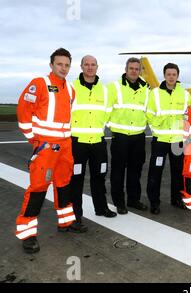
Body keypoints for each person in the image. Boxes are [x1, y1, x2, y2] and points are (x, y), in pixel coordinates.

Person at [16, 48, 78, 254]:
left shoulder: (70, 89)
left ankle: (65, 222)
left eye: (67, 65)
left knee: (64, 184)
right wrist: (33, 138)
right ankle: (28, 234)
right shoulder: (39, 83)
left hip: (65, 145)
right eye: (59, 64)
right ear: (51, 65)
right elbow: (23, 110)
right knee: (38, 188)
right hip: (46, 147)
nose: (63, 68)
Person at [69, 55, 117, 230]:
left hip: (98, 142)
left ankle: (101, 208)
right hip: (78, 143)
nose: (90, 67)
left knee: (99, 176)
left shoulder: (105, 91)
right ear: (81, 67)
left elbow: (109, 113)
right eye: (86, 65)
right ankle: (76, 215)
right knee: (76, 179)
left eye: (93, 65)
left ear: (98, 67)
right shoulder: (71, 87)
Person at [146, 63, 191, 215]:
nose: (171, 77)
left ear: (177, 76)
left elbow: (189, 116)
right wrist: (158, 125)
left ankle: (177, 199)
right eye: (168, 74)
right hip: (160, 140)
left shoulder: (185, 95)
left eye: (174, 74)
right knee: (155, 171)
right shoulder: (155, 94)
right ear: (164, 76)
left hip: (178, 141)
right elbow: (149, 114)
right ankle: (154, 202)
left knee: (178, 172)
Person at [108, 58, 149, 214]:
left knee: (135, 170)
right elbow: (106, 109)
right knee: (118, 171)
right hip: (120, 136)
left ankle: (133, 199)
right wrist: (110, 127)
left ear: (140, 71)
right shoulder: (114, 87)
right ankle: (119, 202)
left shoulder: (146, 89)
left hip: (138, 136)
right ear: (126, 69)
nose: (133, 71)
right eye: (131, 68)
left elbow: (149, 111)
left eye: (136, 69)